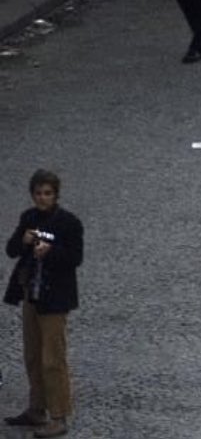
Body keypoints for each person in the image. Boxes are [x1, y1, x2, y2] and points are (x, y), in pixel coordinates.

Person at [3, 169, 84, 438]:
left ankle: (59, 415)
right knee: (33, 356)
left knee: (53, 359)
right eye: (38, 193)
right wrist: (23, 240)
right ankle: (36, 408)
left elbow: (74, 258)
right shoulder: (29, 218)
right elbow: (12, 250)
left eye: (47, 193)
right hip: (31, 296)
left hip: (55, 299)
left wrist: (51, 252)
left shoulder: (69, 223)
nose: (42, 198)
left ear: (56, 195)